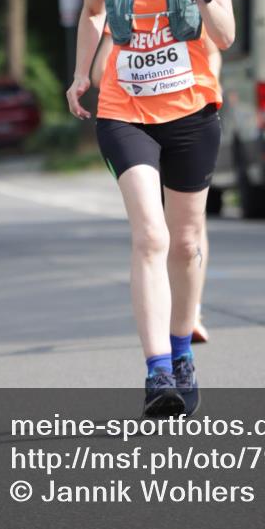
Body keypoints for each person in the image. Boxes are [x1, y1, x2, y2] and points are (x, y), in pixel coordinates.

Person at [66, 0, 240, 416]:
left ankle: (182, 348)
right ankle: (157, 371)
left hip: (191, 111)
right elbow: (93, 12)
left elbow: (225, 35)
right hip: (124, 110)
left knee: (186, 243)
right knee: (151, 236)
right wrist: (81, 75)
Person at [91, 29, 221, 344]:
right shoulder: (123, 9)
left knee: (189, 231)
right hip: (135, 124)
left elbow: (214, 51)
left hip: (188, 115)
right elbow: (98, 73)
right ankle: (172, 323)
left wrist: (204, 85)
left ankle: (191, 310)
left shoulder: (190, 5)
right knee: (154, 233)